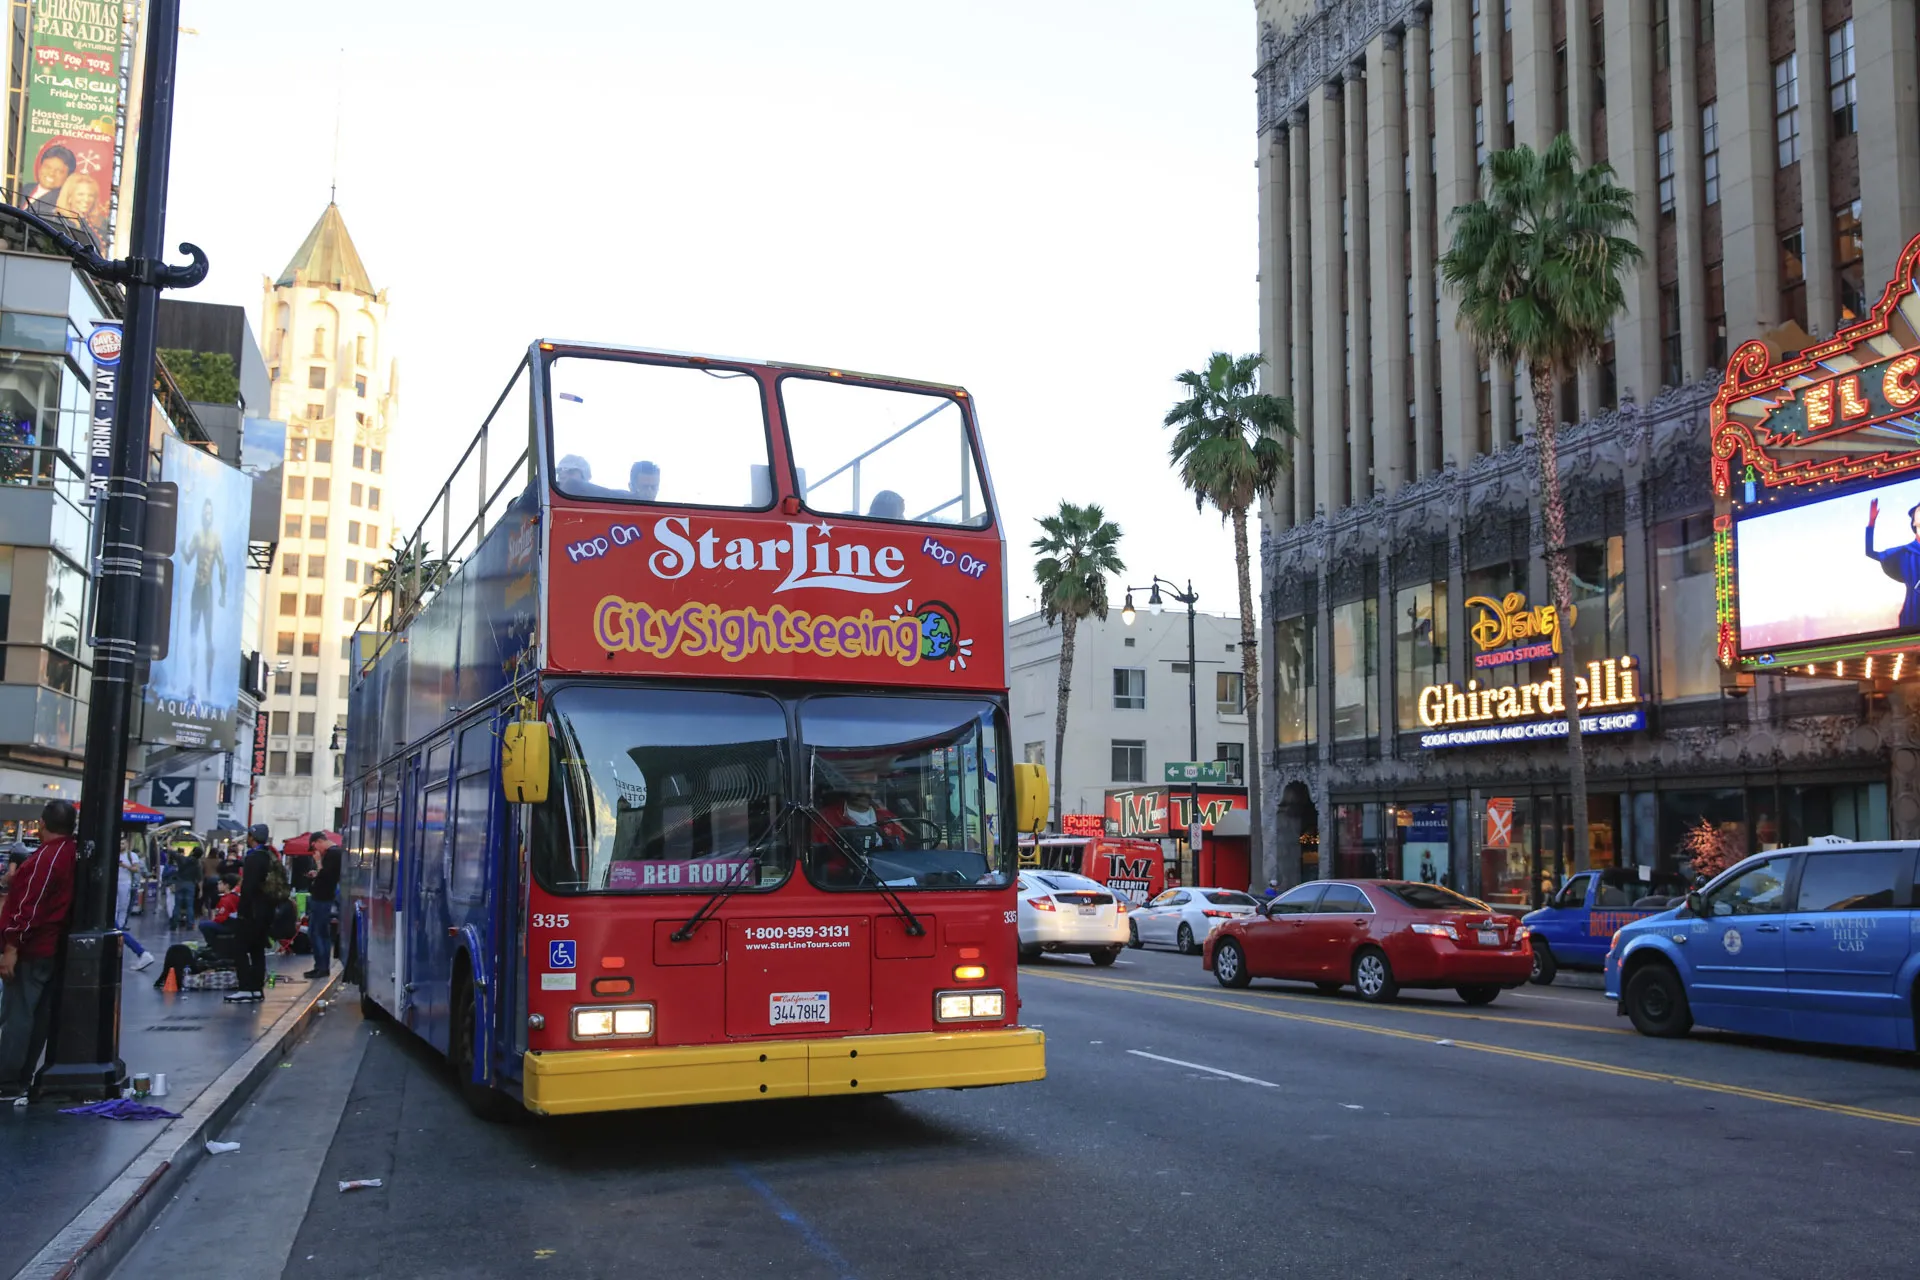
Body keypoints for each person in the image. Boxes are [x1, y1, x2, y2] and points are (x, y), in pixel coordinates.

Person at [0, 801, 78, 1099]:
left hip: (33, 947)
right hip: (49, 945)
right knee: (36, 1015)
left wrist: (11, 947)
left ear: (42, 823)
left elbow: (29, 908)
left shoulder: (47, 858)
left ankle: (7, 1078)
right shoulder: (69, 853)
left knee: (18, 1014)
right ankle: (20, 1076)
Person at [180, 497, 230, 697]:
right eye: (204, 512)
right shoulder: (197, 536)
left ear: (212, 515)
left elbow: (222, 567)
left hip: (208, 589)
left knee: (208, 638)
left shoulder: (215, 539)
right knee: (192, 636)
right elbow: (189, 557)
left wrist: (223, 594)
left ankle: (208, 686)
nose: (207, 515)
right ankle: (193, 682)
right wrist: (182, 547)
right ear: (202, 515)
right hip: (196, 588)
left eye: (209, 512)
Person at [227, 824, 275, 1003]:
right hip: (265, 912)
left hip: (252, 912)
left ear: (253, 837)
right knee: (257, 950)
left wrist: (242, 911)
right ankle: (256, 988)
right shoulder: (269, 856)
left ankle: (245, 987)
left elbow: (249, 887)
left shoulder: (254, 858)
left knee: (239, 948)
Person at [1865, 497, 1920, 629]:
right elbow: (1871, 552)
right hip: (1914, 613)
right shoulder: (1904, 552)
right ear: (1913, 522)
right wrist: (1871, 523)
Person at [115, 842, 155, 972]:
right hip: (117, 886)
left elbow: (136, 869)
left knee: (116, 924)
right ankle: (141, 953)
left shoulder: (131, 856)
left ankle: (141, 953)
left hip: (124, 884)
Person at [305, 836, 340, 980]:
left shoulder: (333, 854)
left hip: (322, 899)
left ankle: (321, 966)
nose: (315, 852)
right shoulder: (333, 854)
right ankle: (320, 966)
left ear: (319, 841)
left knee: (317, 932)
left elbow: (327, 877)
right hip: (321, 898)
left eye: (314, 847)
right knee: (317, 932)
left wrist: (318, 863)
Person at [18, 145, 73, 216]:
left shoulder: (62, 202)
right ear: (40, 167)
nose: (51, 173)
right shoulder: (26, 187)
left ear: (68, 176)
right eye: (47, 167)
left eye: (59, 171)